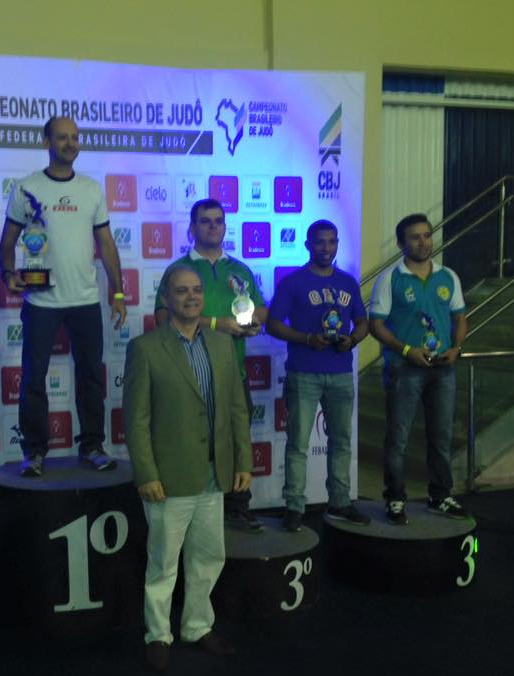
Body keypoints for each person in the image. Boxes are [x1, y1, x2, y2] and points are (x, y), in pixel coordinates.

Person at [125, 266, 252, 672]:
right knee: (163, 563)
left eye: (196, 290)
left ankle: (197, 626)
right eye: (182, 291)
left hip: (214, 473)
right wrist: (146, 473)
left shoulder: (222, 343)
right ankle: (157, 634)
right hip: (168, 478)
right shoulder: (145, 348)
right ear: (167, 298)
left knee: (208, 557)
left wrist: (243, 460)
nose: (191, 297)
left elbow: (236, 408)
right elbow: (136, 420)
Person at [0, 116, 126, 477]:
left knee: (91, 378)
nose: (70, 143)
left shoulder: (91, 189)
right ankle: (34, 452)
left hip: (85, 300)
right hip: (41, 302)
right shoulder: (26, 188)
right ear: (46, 142)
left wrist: (118, 292)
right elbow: (7, 243)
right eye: (62, 137)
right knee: (33, 379)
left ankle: (93, 446)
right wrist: (8, 273)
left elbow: (106, 244)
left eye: (74, 137)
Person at [154, 198, 267, 533]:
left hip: (233, 373)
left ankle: (238, 508)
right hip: (189, 375)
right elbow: (162, 318)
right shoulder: (178, 270)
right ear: (192, 228)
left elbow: (260, 309)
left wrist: (251, 322)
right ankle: (189, 508)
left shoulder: (239, 269)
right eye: (205, 221)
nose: (213, 226)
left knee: (235, 440)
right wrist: (219, 325)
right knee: (190, 440)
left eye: (218, 221)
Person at [266, 219, 370, 531]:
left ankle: (339, 502)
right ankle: (294, 507)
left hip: (340, 373)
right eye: (320, 241)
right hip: (304, 373)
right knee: (298, 444)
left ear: (337, 244)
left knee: (341, 442)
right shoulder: (293, 282)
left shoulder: (348, 282)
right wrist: (306, 338)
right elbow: (273, 324)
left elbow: (362, 322)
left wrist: (353, 339)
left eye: (332, 241)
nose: (326, 247)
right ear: (308, 245)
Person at [368, 213, 470, 525]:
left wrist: (456, 348)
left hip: (443, 368)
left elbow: (459, 317)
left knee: (441, 436)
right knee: (398, 438)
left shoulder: (448, 276)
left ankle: (440, 496)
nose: (423, 242)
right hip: (404, 368)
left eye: (427, 235)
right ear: (401, 243)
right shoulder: (391, 279)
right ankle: (395, 499)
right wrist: (407, 351)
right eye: (415, 237)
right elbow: (375, 325)